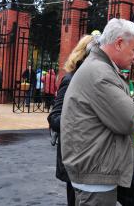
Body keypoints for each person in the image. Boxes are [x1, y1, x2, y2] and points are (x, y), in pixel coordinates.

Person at [61, 18, 134, 206]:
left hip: (95, 171)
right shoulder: (101, 73)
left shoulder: (101, 68)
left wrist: (130, 123)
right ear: (119, 43)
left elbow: (108, 119)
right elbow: (128, 119)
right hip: (95, 176)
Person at [47, 34, 95, 206]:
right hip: (75, 155)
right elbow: (54, 118)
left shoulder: (95, 79)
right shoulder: (71, 79)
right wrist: (86, 124)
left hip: (90, 157)